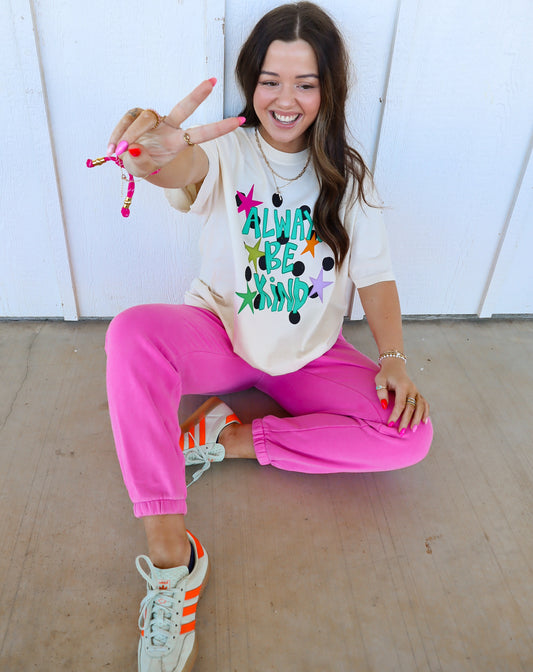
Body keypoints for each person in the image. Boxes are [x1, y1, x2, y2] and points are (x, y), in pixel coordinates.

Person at [104, 3, 433, 670]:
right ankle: (172, 561)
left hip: (310, 354)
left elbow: (375, 275)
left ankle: (230, 437)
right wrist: (154, 159)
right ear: (250, 83)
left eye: (305, 84)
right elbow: (179, 170)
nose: (286, 100)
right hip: (220, 339)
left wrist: (393, 359)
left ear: (328, 90)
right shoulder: (224, 149)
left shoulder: (347, 175)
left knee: (410, 435)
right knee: (132, 332)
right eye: (270, 81)